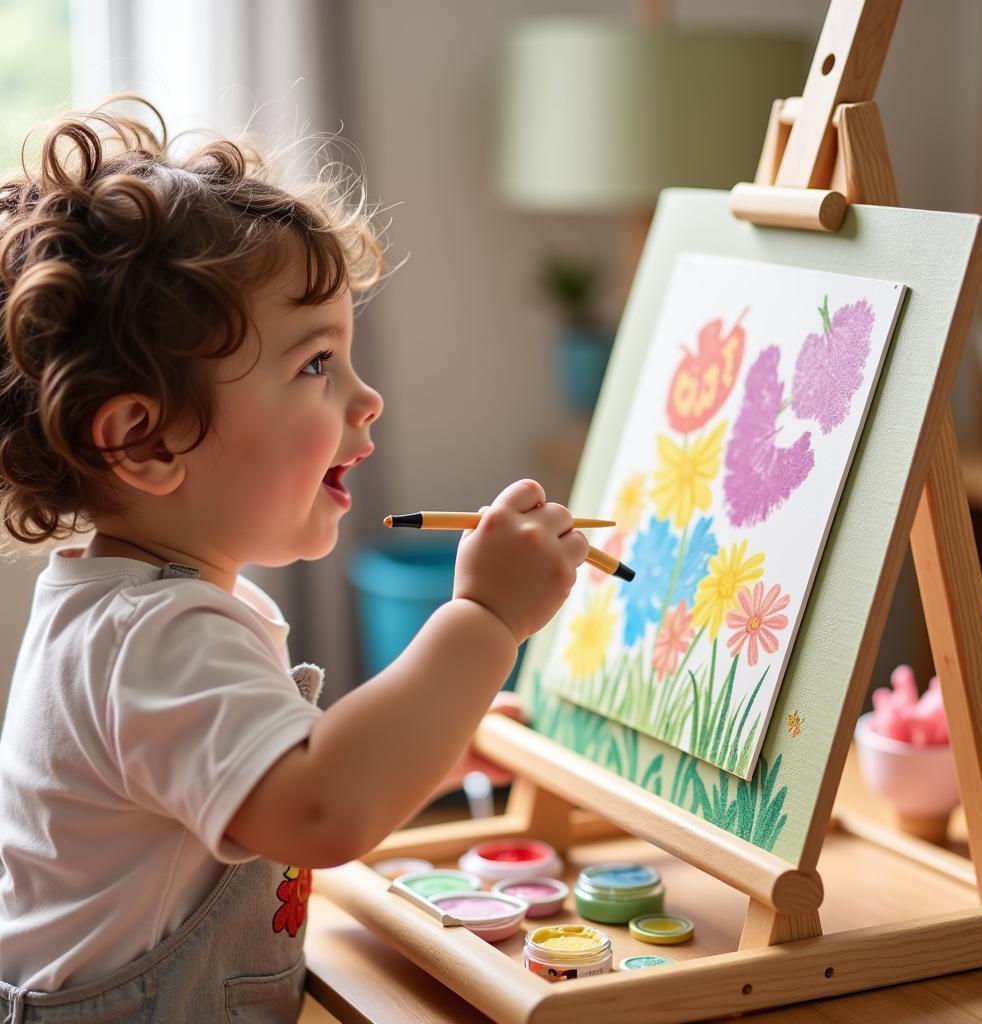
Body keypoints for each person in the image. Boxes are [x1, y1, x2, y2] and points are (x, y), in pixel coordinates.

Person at [0, 96, 588, 1022]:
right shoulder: (155, 639)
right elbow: (321, 813)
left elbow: (275, 785)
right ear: (145, 442)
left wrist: (427, 748)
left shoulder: (139, 608)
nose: (368, 399)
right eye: (316, 364)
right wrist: (485, 621)